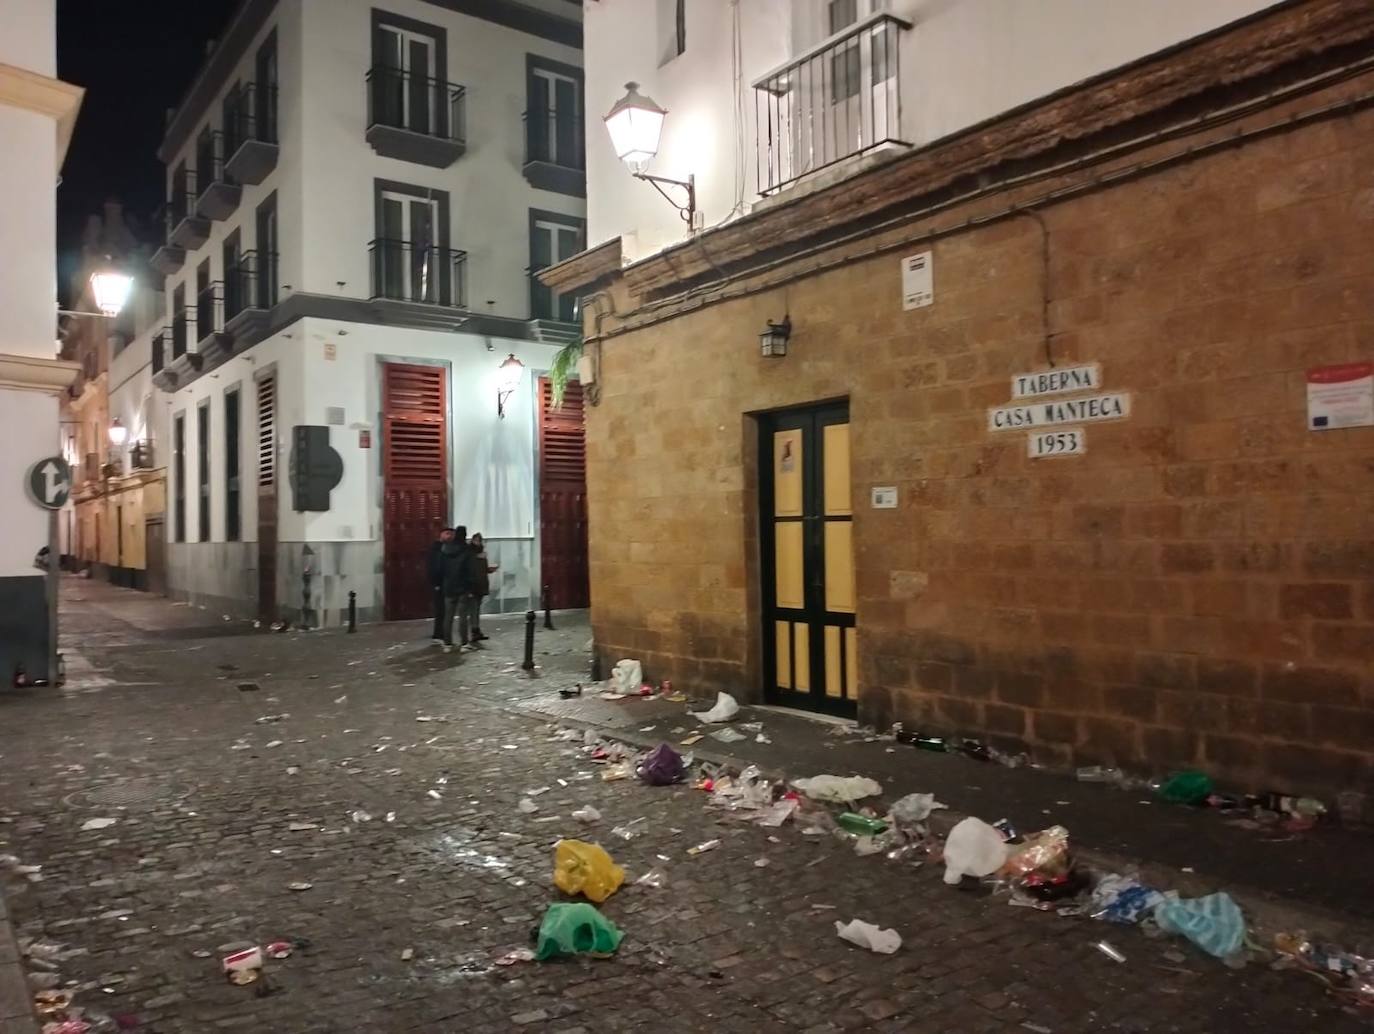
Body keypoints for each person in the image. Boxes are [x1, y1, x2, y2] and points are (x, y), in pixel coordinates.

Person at [438, 525, 471, 652]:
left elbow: (441, 569)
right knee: (463, 616)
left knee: (448, 616)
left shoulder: (445, 549)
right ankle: (464, 643)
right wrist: (470, 585)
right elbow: (469, 570)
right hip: (462, 587)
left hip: (448, 587)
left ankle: (447, 644)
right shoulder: (466, 550)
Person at [425, 527, 455, 643]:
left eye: (452, 534)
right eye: (447, 534)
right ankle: (438, 634)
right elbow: (433, 567)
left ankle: (441, 633)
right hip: (439, 584)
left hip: (447, 583)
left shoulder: (448, 548)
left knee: (445, 610)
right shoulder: (436, 549)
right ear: (441, 535)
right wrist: (435, 583)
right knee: (440, 610)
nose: (450, 536)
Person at [467, 533, 498, 642]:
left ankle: (476, 631)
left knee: (477, 609)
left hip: (481, 584)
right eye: (476, 540)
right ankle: (474, 631)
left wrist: (490, 569)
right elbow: (469, 569)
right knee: (473, 609)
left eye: (479, 540)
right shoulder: (469, 553)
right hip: (473, 585)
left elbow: (483, 569)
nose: (478, 542)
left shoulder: (483, 554)